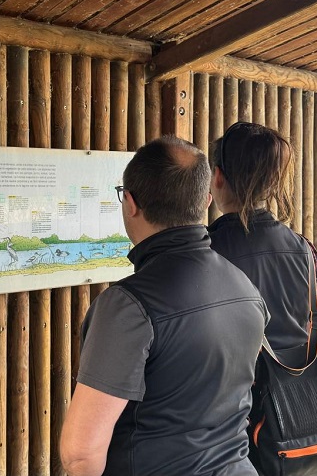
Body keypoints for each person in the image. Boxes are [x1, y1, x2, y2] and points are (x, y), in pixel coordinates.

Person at [59, 136, 269, 476]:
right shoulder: (245, 287)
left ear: (130, 203)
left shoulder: (127, 306)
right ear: (204, 201)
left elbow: (81, 453)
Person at [207, 121, 317, 360]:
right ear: (272, 183)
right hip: (292, 390)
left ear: (218, 176)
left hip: (235, 395)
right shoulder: (306, 250)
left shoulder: (205, 250)